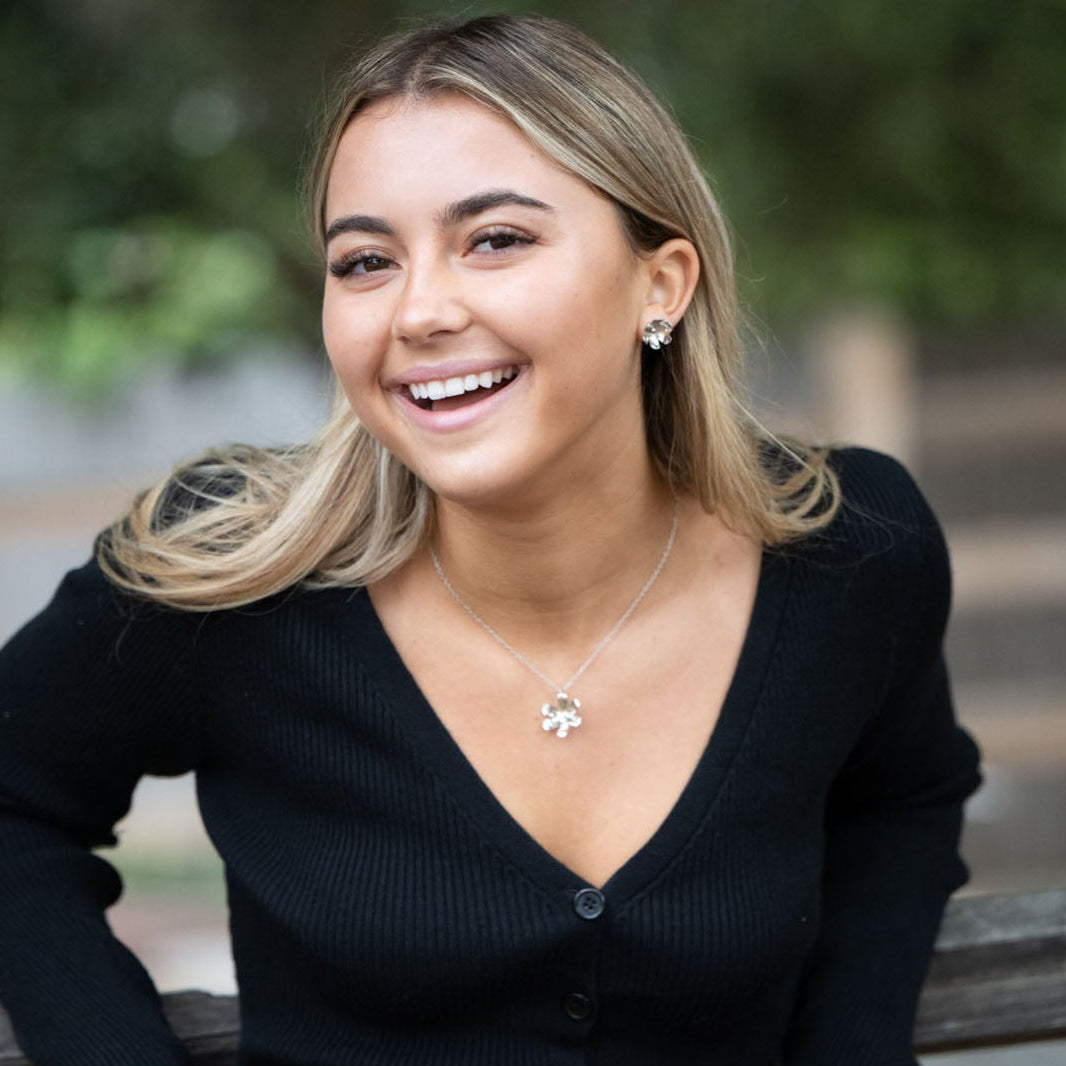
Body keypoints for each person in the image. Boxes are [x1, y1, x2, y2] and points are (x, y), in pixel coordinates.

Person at [0, 13, 980, 1066]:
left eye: (496, 239)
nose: (418, 310)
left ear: (663, 282)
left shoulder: (852, 554)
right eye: (365, 260)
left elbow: (903, 799)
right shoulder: (230, 570)